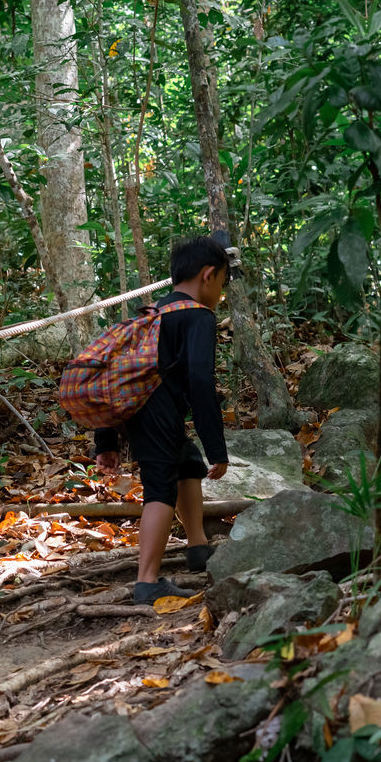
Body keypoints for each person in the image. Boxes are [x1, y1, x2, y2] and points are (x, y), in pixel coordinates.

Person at [94, 235, 231, 605]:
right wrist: (217, 447)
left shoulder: (147, 314)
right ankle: (147, 581)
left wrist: (106, 440)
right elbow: (201, 380)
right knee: (160, 487)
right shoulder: (198, 316)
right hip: (157, 411)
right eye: (222, 282)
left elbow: (113, 376)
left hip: (136, 411)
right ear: (208, 275)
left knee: (187, 462)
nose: (220, 292)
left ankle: (198, 547)